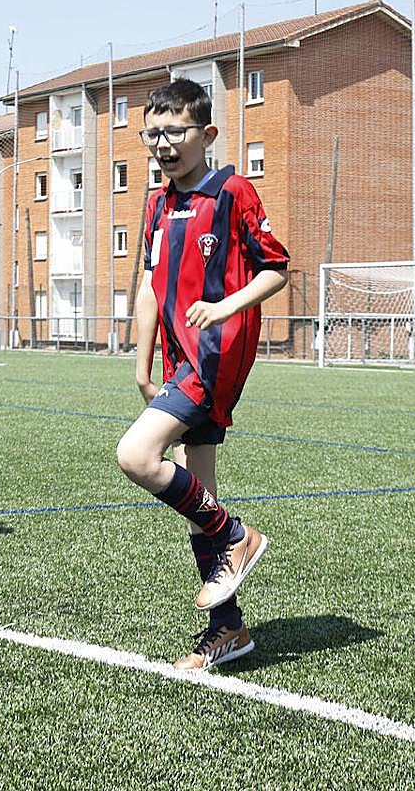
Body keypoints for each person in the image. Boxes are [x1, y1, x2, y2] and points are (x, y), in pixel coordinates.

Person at [116, 79, 290, 670]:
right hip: (175, 357)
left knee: (136, 455)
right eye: (153, 133)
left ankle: (237, 535)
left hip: (216, 352)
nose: (164, 144)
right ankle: (228, 631)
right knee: (198, 485)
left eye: (176, 132)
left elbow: (277, 270)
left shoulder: (233, 190)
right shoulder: (157, 203)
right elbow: (148, 281)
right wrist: (141, 358)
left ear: (206, 134)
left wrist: (224, 306)